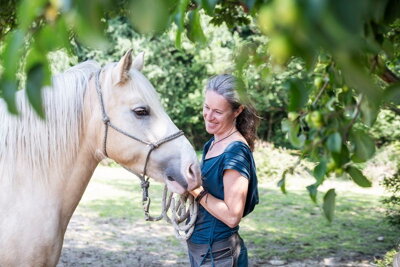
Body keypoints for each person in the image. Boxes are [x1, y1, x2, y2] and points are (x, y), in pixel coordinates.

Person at [188, 74, 260, 267]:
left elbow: (232, 216)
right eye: (206, 107)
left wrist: (195, 190)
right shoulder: (211, 144)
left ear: (237, 111)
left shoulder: (235, 151)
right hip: (202, 249)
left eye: (218, 111)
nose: (209, 116)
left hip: (219, 255)